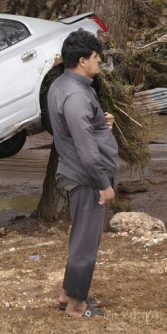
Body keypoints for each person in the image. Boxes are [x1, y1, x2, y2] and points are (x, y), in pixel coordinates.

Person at [46, 29, 118, 318]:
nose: (99, 61)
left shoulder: (62, 85)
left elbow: (72, 127)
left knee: (80, 239)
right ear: (83, 60)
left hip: (78, 173)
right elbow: (86, 149)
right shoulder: (76, 95)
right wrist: (104, 184)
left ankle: (67, 293)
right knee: (86, 243)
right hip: (87, 178)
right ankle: (77, 306)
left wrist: (101, 122)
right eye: (96, 57)